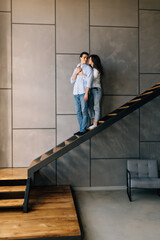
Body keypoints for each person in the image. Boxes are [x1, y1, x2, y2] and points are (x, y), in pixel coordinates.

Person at [70, 52, 93, 136]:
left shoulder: (88, 69)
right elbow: (72, 81)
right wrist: (76, 72)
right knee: (78, 111)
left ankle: (82, 130)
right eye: (84, 57)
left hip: (83, 93)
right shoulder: (76, 68)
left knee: (84, 110)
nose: (86, 59)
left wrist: (82, 74)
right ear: (80, 58)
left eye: (87, 58)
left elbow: (89, 82)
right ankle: (81, 129)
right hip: (76, 93)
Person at [88, 54, 103, 129]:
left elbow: (91, 79)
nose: (88, 60)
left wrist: (82, 75)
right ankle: (94, 121)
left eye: (90, 59)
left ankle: (95, 123)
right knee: (89, 106)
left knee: (96, 106)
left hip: (97, 90)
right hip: (91, 90)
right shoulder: (92, 69)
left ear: (93, 61)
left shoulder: (96, 70)